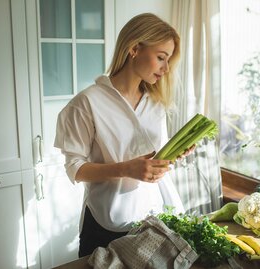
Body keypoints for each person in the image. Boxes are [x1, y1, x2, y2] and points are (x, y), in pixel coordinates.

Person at [54, 13, 193, 258]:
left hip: (154, 221)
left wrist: (172, 156)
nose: (166, 68)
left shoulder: (156, 102)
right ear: (134, 49)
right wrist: (126, 169)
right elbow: (75, 169)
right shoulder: (87, 103)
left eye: (168, 60)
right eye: (161, 58)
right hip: (105, 224)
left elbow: (153, 162)